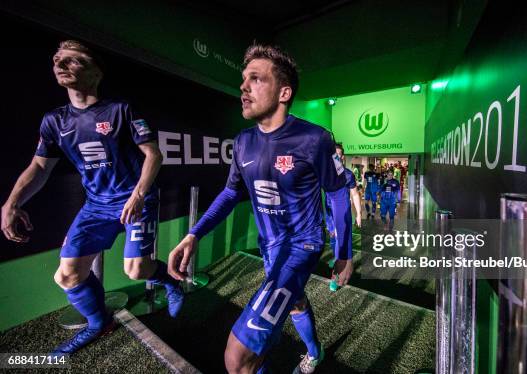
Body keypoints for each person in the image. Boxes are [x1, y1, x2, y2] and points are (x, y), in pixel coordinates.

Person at [167, 44, 353, 374]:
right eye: (243, 79)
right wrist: (195, 234)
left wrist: (344, 252)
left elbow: (338, 193)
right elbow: (229, 194)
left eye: (255, 79)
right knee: (294, 302)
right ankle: (315, 351)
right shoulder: (242, 142)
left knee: (237, 358)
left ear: (284, 92)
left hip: (302, 246)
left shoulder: (315, 139)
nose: (243, 86)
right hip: (270, 247)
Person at [0, 40, 183, 356]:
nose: (61, 63)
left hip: (134, 199)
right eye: (58, 59)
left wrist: (139, 193)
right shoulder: (54, 121)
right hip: (97, 205)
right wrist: (11, 203)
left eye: (73, 60)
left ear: (96, 72)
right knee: (67, 275)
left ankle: (171, 282)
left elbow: (153, 153)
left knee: (137, 270)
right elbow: (40, 167)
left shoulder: (120, 111)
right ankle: (100, 323)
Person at [325, 143, 362, 257]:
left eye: (338, 154)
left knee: (343, 240)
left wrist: (359, 214)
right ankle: (338, 260)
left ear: (342, 157)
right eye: (333, 154)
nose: (335, 157)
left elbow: (355, 195)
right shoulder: (324, 174)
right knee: (333, 237)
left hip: (343, 213)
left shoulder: (348, 175)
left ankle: (341, 266)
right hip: (329, 213)